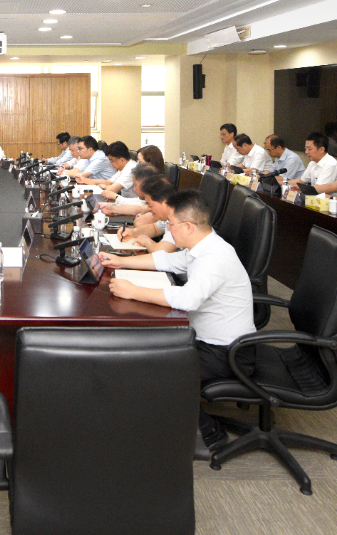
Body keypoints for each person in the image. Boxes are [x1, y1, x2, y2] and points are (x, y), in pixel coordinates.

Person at [102, 188, 255, 451]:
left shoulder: (215, 257)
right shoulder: (201, 247)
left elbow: (188, 299)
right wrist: (120, 262)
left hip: (228, 352)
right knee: (146, 352)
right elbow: (167, 261)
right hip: (208, 340)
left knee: (157, 369)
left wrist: (133, 291)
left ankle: (210, 433)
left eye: (171, 225)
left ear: (188, 226)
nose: (168, 230)